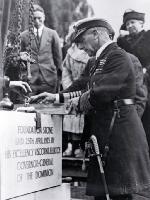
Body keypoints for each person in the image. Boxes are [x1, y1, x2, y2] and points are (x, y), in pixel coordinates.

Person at [30, 18, 150, 200]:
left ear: (96, 34)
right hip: (105, 133)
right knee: (103, 191)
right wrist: (56, 96)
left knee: (119, 192)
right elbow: (82, 83)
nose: (79, 47)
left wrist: (76, 103)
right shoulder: (96, 60)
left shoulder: (118, 56)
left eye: (80, 40)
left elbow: (102, 91)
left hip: (119, 135)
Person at [117, 9, 150, 150]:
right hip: (128, 84)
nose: (130, 26)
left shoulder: (148, 37)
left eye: (133, 22)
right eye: (127, 23)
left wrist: (145, 70)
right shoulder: (122, 42)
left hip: (147, 81)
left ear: (141, 23)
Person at [20, 4, 62, 95]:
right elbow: (20, 58)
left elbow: (58, 58)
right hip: (30, 80)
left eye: (39, 18)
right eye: (34, 18)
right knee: (30, 105)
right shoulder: (23, 36)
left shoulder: (52, 34)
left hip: (49, 78)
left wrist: (59, 77)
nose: (37, 21)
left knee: (49, 105)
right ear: (31, 19)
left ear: (44, 17)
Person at [62, 24, 89, 157]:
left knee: (82, 119)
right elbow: (65, 69)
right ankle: (70, 145)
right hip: (71, 87)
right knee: (70, 117)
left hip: (84, 89)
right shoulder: (70, 51)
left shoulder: (89, 51)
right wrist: (68, 86)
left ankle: (81, 147)